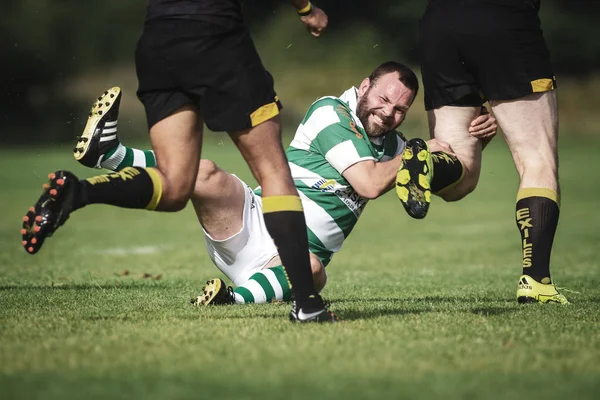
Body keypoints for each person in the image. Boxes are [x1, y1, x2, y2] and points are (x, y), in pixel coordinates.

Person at [68, 62, 497, 305]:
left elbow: (447, 186)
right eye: (384, 99)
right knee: (206, 173)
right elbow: (367, 184)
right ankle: (112, 156)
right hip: (255, 221)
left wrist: (471, 143)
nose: (388, 113)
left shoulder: (397, 145)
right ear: (364, 87)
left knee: (312, 271)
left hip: (292, 259)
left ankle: (230, 300)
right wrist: (414, 154)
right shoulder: (333, 114)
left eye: (401, 110)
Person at [20, 0, 339, 323]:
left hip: (157, 40)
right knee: (273, 173)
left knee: (174, 186)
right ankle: (307, 305)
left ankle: (79, 191)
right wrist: (307, 9)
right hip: (215, 32)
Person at [414, 0, 567, 303]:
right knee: (536, 159)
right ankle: (536, 281)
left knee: (460, 177)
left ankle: (426, 164)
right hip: (503, 15)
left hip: (439, 22)